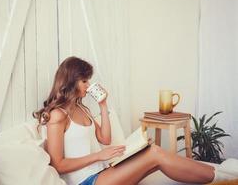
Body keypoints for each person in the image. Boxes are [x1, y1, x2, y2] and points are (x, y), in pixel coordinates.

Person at [32, 56, 220, 185]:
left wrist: (103, 105)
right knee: (155, 154)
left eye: (88, 81)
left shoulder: (82, 108)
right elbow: (58, 164)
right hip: (88, 181)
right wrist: (98, 156)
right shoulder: (57, 115)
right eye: (84, 81)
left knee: (153, 152)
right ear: (71, 81)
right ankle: (220, 176)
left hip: (103, 172)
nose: (88, 86)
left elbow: (104, 139)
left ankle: (216, 175)